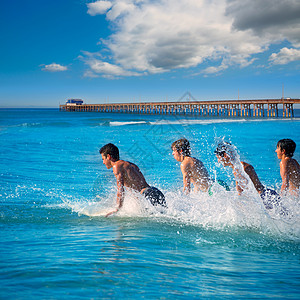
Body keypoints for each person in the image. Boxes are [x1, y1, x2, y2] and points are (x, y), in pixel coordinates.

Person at [215, 142, 287, 214]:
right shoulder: (238, 166)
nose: (218, 161)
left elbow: (242, 193)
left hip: (264, 198)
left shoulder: (240, 168)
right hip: (268, 195)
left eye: (218, 158)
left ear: (225, 155)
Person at [100, 143, 166, 217]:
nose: (103, 162)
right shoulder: (129, 164)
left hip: (147, 195)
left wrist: (117, 208)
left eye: (103, 159)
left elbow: (120, 189)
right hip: (154, 191)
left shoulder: (116, 166)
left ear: (108, 157)